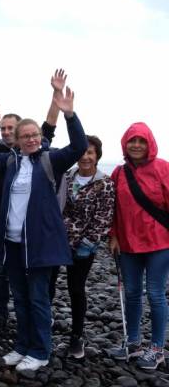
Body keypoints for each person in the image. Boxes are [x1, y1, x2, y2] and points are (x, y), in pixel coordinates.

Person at [0, 86, 87, 372]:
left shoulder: (51, 159)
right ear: (18, 141)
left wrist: (70, 115)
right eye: (26, 136)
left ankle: (40, 350)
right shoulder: (11, 160)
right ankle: (22, 345)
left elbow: (78, 147)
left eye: (35, 135)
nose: (32, 139)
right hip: (12, 242)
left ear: (40, 137)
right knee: (20, 297)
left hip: (39, 245)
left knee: (38, 298)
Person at [0, 70, 61, 332]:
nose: (7, 131)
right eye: (3, 128)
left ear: (22, 131)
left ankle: (40, 313)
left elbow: (49, 124)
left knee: (37, 270)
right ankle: (1, 315)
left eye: (11, 128)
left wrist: (56, 94)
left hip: (32, 222)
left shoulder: (36, 150)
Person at [47, 135, 114, 359]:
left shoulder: (104, 183)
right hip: (58, 241)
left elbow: (104, 217)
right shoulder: (68, 175)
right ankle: (44, 322)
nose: (85, 157)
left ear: (97, 156)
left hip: (83, 245)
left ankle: (77, 337)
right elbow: (58, 205)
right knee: (48, 283)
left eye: (91, 152)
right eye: (82, 152)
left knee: (76, 289)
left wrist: (88, 243)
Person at [108, 122, 169, 370]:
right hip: (128, 243)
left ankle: (157, 349)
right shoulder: (119, 173)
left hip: (159, 242)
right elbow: (112, 209)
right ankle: (133, 342)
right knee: (131, 293)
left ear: (149, 144)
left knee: (155, 294)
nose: (136, 145)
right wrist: (113, 236)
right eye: (132, 140)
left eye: (141, 141)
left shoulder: (163, 168)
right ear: (125, 143)